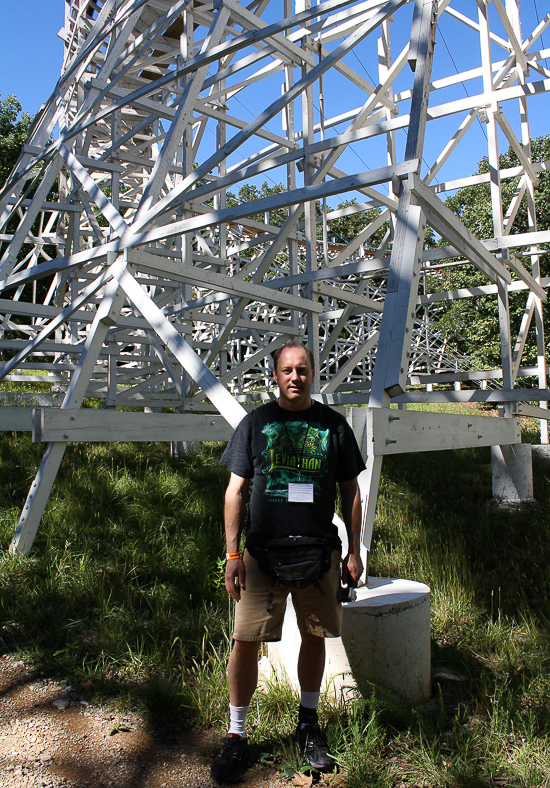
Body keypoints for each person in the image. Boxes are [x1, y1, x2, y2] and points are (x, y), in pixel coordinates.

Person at [211, 341, 365, 784]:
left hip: (319, 553)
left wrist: (353, 552)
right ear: (274, 375)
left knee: (315, 635)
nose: (295, 376)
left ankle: (308, 724)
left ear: (313, 374)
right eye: (286, 369)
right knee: (245, 640)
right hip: (261, 555)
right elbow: (235, 491)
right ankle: (236, 735)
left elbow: (351, 491)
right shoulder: (256, 423)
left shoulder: (333, 426)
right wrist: (233, 555)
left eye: (302, 369)